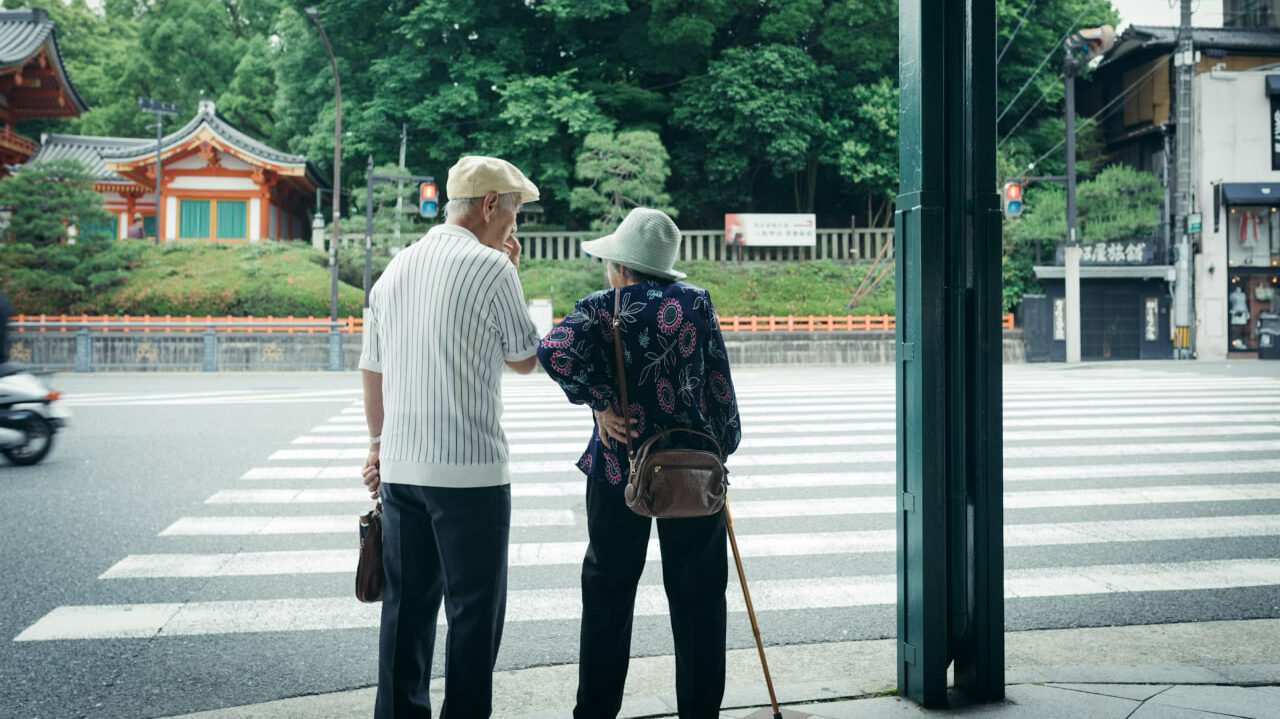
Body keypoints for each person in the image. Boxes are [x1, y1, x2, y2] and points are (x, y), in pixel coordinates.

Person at [536, 208, 742, 718]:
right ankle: (699, 712)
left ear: (623, 268)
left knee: (609, 593)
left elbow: (552, 352)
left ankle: (596, 712)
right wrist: (723, 446)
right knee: (699, 600)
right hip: (694, 472)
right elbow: (719, 385)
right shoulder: (695, 303)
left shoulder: (604, 307)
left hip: (619, 468)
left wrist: (601, 402)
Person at [359, 155, 542, 718]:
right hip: (470, 475)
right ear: (490, 206)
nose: (515, 229)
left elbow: (373, 367)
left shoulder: (396, 268)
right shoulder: (492, 268)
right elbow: (525, 359)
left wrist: (377, 447)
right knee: (473, 614)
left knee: (407, 610)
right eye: (513, 215)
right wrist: (508, 269)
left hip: (402, 470)